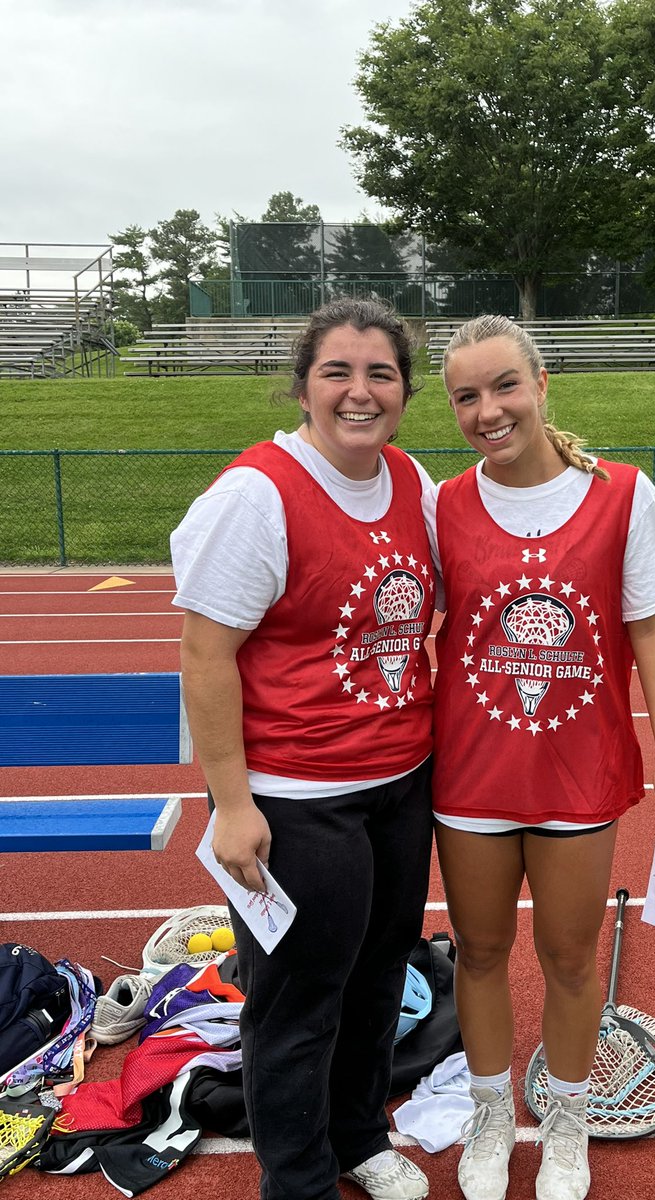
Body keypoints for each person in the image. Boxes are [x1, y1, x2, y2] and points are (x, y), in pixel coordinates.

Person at [423, 315, 655, 1200]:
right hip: (472, 772)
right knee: (478, 950)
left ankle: (569, 1122)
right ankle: (494, 1114)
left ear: (544, 385)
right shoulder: (442, 504)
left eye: (504, 385)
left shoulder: (625, 494)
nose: (487, 409)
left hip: (578, 771)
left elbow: (649, 629)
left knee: (572, 957)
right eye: (466, 395)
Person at [171, 299, 436, 1200]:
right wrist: (233, 805)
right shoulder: (259, 493)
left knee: (378, 976)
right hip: (295, 794)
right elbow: (206, 654)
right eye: (338, 372)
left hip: (401, 783)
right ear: (303, 386)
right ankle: (297, 1179)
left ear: (404, 390)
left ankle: (360, 1134)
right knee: (297, 1002)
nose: (360, 393)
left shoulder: (410, 479)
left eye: (381, 374)